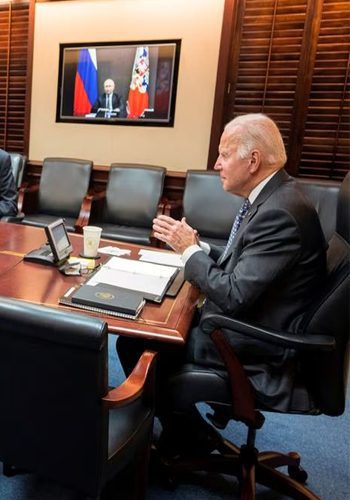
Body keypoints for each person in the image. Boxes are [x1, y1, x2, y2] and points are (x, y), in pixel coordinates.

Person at [117, 113, 327, 455]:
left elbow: (233, 294)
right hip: (257, 322)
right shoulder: (276, 196)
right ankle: (187, 432)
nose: (216, 164)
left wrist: (188, 252)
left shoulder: (279, 212)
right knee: (142, 333)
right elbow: (246, 262)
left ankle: (185, 436)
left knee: (139, 340)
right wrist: (200, 248)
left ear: (253, 160)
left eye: (225, 154)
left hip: (257, 344)